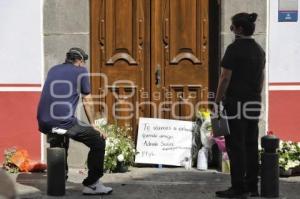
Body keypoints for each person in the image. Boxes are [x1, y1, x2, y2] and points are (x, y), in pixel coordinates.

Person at [37, 47, 113, 195]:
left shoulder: (53, 70)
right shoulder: (81, 71)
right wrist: (94, 125)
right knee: (98, 140)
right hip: (62, 121)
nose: (84, 65)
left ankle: (59, 181)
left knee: (59, 137)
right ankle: (92, 184)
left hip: (44, 120)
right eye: (84, 62)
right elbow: (87, 99)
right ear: (79, 61)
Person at [214, 13, 265, 198]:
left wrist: (217, 100)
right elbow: (261, 79)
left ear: (240, 29)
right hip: (253, 103)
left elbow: (225, 78)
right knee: (251, 145)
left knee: (236, 146)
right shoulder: (259, 50)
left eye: (232, 26)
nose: (231, 30)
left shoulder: (234, 49)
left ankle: (238, 188)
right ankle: (252, 186)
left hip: (236, 104)